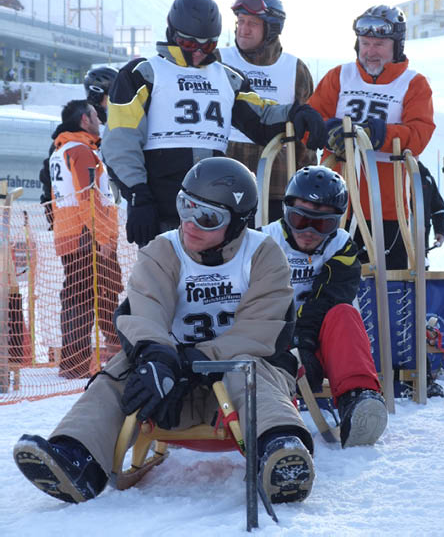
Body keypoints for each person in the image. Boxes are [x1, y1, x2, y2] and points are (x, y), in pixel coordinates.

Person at [13, 157, 315, 506]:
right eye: (185, 206)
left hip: (237, 387)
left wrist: (198, 358)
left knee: (250, 370)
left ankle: (280, 450)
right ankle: (77, 455)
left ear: (237, 224)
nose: (190, 223)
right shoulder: (164, 250)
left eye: (207, 217)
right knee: (120, 373)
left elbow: (261, 328)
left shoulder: (262, 254)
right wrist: (158, 356)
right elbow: (145, 309)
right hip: (170, 390)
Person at [101, 0, 327, 247]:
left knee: (218, 283)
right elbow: (120, 141)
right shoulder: (143, 74)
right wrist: (137, 195)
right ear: (172, 33)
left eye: (207, 46)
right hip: (162, 205)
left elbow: (261, 118)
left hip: (215, 209)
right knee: (162, 282)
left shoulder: (228, 78)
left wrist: (296, 113)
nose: (198, 52)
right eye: (189, 44)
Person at [261, 165, 388, 448]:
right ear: (286, 212)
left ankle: (358, 400)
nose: (307, 232)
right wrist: (290, 341)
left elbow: (331, 296)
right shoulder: (264, 242)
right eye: (299, 219)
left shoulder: (341, 247)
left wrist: (304, 339)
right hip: (273, 334)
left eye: (321, 224)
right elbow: (259, 298)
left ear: (336, 223)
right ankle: (277, 417)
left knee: (344, 313)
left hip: (318, 335)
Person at [308, 5, 435, 270]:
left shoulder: (414, 83)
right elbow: (310, 123)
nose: (370, 51)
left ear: (396, 46)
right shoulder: (339, 76)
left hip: (387, 208)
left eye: (379, 44)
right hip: (334, 204)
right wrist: (328, 131)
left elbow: (420, 134)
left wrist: (379, 134)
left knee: (387, 286)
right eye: (365, 43)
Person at [216, 0, 316, 221]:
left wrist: (306, 183)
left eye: (252, 23)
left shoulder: (295, 69)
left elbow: (306, 135)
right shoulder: (219, 61)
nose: (243, 29)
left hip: (277, 180)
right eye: (240, 21)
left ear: (271, 29)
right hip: (223, 175)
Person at [49, 100, 122, 378]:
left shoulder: (62, 150)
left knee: (80, 296)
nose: (99, 119)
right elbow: (88, 196)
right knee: (102, 294)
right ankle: (91, 360)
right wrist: (103, 237)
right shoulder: (80, 150)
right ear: (84, 120)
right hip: (87, 236)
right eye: (94, 114)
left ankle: (77, 360)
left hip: (70, 233)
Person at [39, 66, 119, 228]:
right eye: (112, 96)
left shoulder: (115, 127)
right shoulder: (75, 134)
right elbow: (50, 176)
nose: (117, 101)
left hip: (105, 218)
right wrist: (52, 211)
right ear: (97, 94)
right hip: (83, 225)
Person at [417, 161, 444, 258]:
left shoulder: (426, 177)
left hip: (420, 245)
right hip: (390, 243)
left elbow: (438, 208)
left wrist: (440, 231)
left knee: (421, 269)